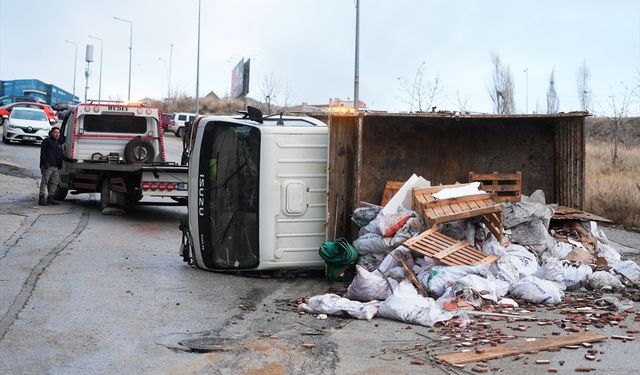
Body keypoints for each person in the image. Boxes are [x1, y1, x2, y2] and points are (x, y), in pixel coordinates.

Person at [39, 127, 76, 206]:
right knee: (45, 182)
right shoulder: (47, 141)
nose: (57, 134)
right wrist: (45, 163)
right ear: (51, 133)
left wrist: (71, 160)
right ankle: (41, 198)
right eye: (55, 132)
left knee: (55, 183)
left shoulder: (58, 143)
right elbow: (43, 153)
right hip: (48, 166)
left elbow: (61, 156)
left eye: (58, 133)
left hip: (55, 167)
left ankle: (50, 198)